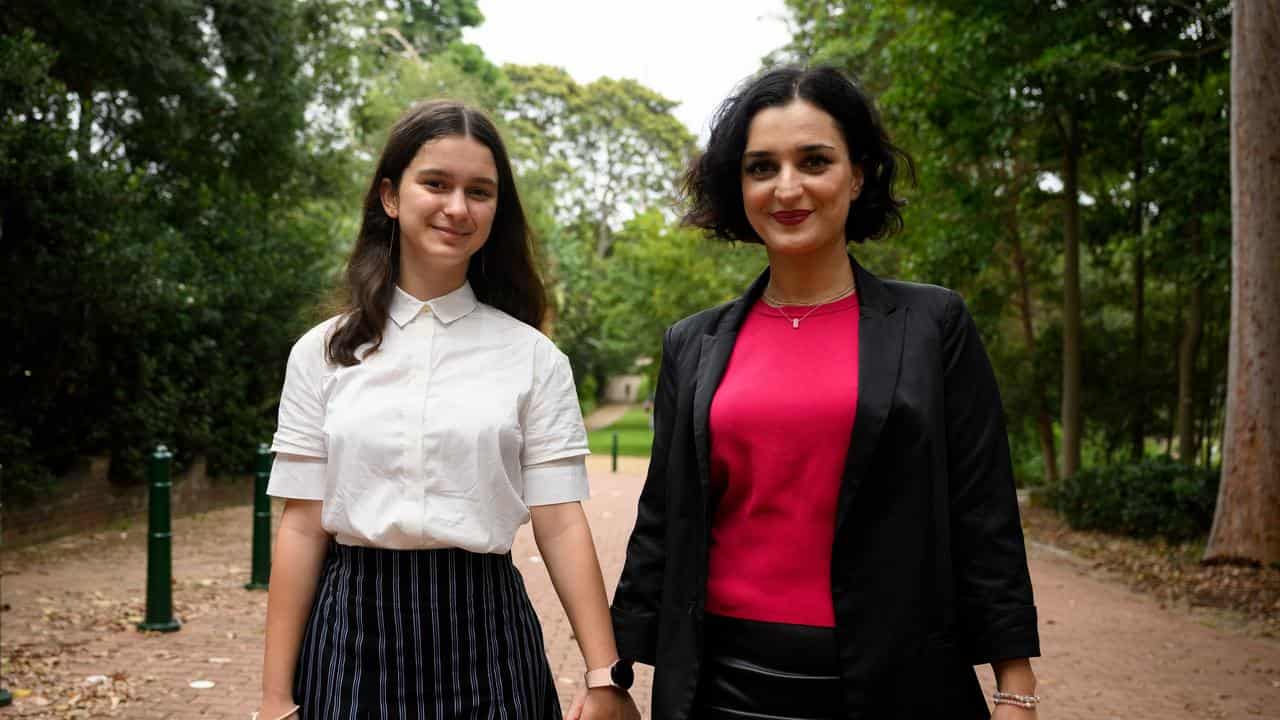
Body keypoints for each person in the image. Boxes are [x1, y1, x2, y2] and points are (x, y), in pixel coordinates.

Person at [609, 66, 1041, 720]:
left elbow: (982, 511)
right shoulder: (692, 344)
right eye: (761, 167)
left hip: (897, 680)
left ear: (858, 174)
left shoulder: (933, 325)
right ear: (739, 183)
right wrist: (612, 674)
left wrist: (1015, 685)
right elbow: (663, 522)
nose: (787, 188)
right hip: (718, 684)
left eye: (814, 161)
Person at [255, 100, 641, 720]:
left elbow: (561, 522)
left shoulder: (533, 358)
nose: (457, 207)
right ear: (390, 196)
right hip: (351, 641)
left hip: (488, 639)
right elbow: (301, 526)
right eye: (436, 183)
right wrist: (275, 701)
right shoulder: (322, 353)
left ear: (496, 209)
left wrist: (604, 675)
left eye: (479, 191)